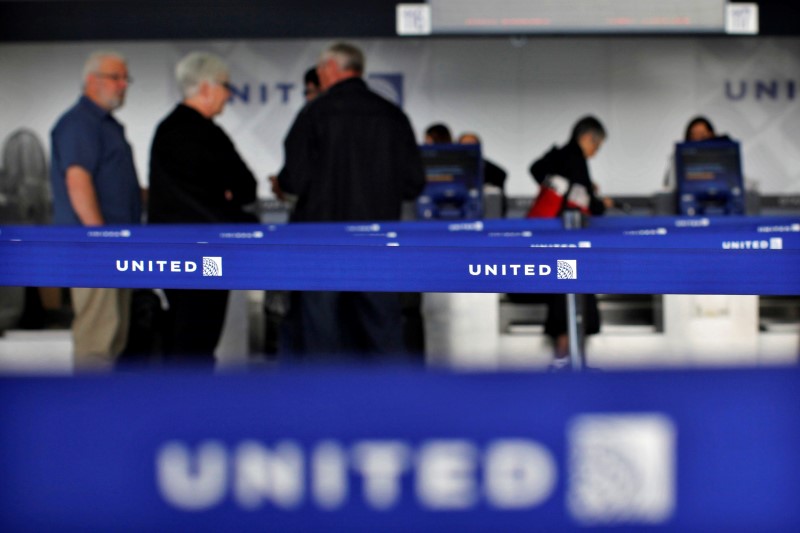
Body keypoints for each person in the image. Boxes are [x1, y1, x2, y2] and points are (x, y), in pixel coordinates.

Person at [277, 41, 426, 361]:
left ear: (331, 68)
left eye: (319, 70)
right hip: (376, 242)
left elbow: (295, 180)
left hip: (321, 244)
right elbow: (414, 183)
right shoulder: (393, 116)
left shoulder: (313, 114)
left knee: (321, 337)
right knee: (384, 332)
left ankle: (323, 407)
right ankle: (393, 405)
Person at [148, 51, 258, 367]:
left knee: (181, 329)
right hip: (209, 254)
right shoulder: (209, 134)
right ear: (207, 88)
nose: (228, 94)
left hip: (168, 254)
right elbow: (246, 187)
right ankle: (196, 408)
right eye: (225, 86)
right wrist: (224, 197)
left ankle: (177, 405)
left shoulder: (164, 131)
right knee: (202, 334)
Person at [50, 50, 143, 371]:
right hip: (94, 249)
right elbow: (78, 182)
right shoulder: (79, 123)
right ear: (91, 80)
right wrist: (99, 237)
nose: (122, 85)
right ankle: (88, 414)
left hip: (113, 246)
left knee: (114, 336)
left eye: (124, 79)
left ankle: (107, 412)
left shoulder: (107, 125)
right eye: (115, 78)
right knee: (97, 340)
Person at [528, 116, 612, 368]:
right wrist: (602, 202)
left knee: (563, 298)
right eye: (595, 147)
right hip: (571, 248)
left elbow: (535, 168)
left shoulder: (558, 156)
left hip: (554, 245)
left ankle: (564, 361)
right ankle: (570, 365)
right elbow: (590, 204)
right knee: (573, 300)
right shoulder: (576, 160)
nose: (594, 153)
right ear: (587, 138)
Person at [458, 131, 508, 217]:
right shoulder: (451, 171)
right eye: (464, 147)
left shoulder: (495, 173)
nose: (468, 150)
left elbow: (499, 207)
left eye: (472, 146)